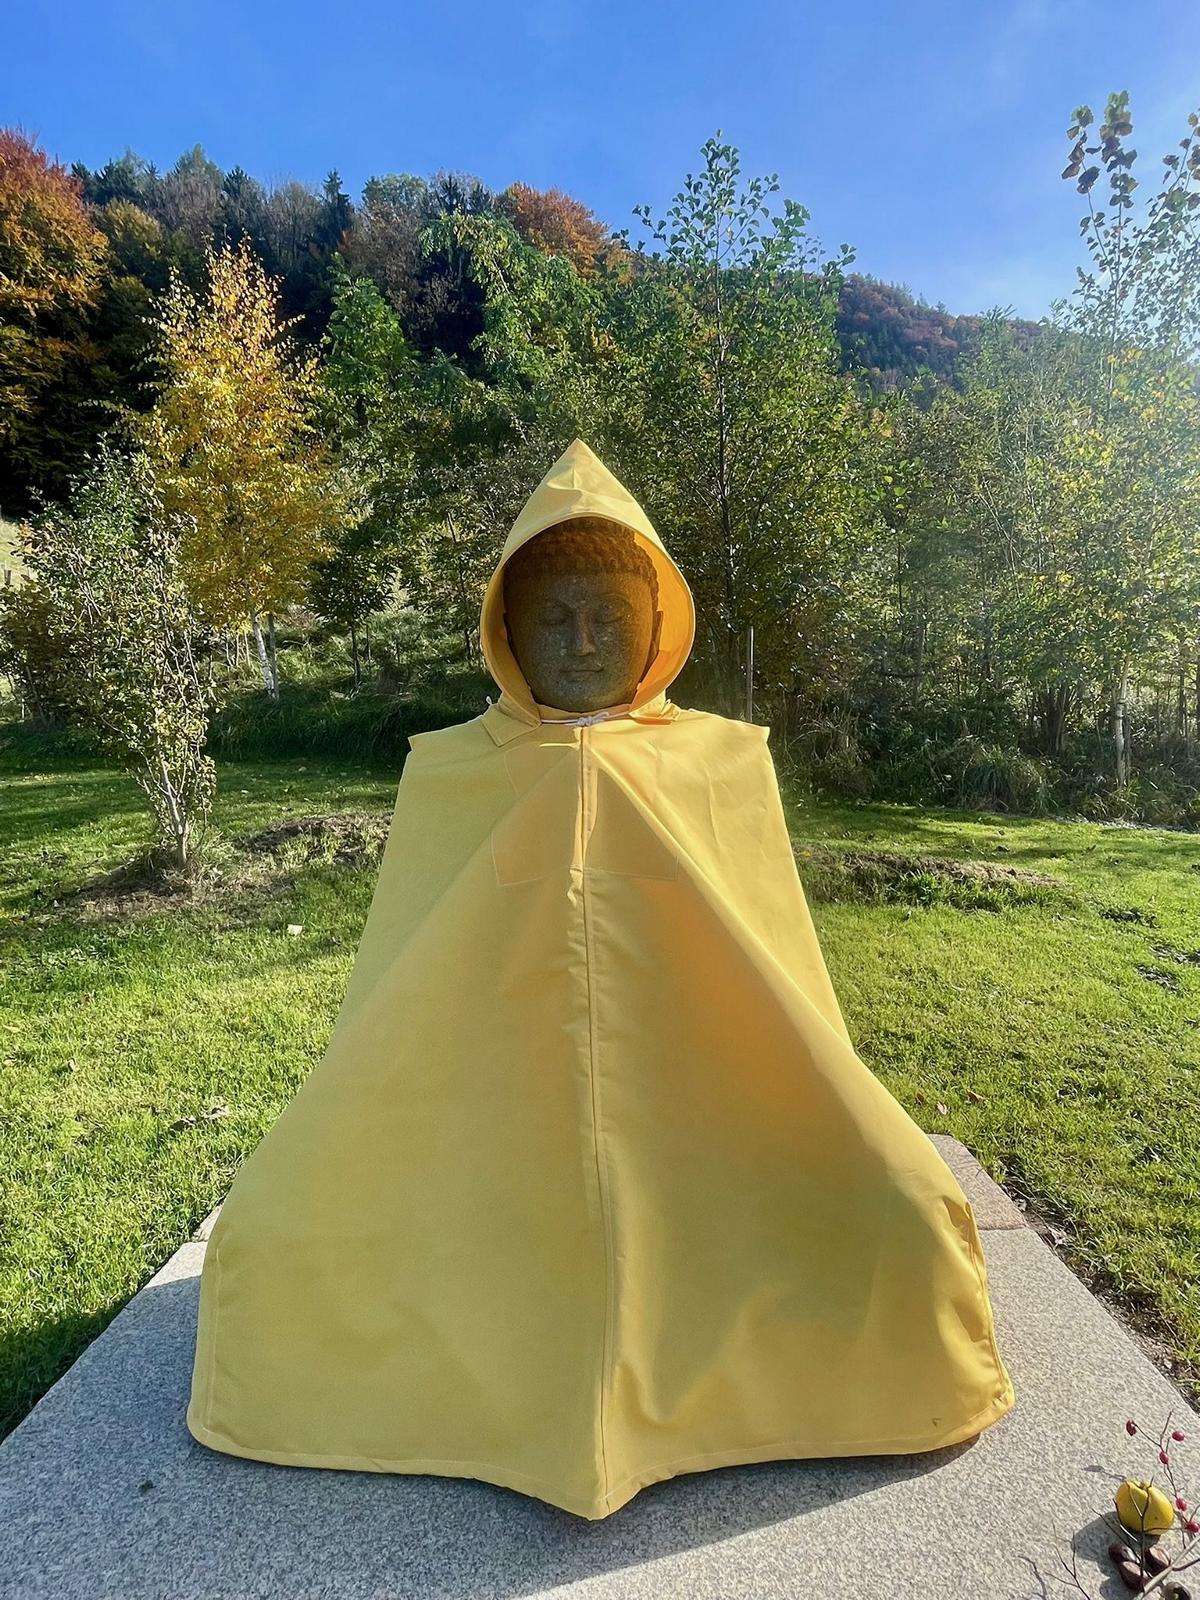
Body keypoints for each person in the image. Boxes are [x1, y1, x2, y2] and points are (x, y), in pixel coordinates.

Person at [187, 437, 1016, 1520]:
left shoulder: (722, 761)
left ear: (655, 626)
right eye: (554, 618)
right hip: (479, 1125)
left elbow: (784, 976)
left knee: (904, 1221)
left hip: (718, 1119)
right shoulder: (450, 771)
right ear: (506, 631)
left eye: (608, 618)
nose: (581, 642)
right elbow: (399, 989)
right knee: (273, 1247)